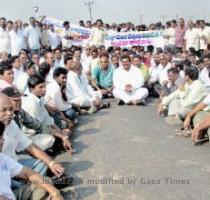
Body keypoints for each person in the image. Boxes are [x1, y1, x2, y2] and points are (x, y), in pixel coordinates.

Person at [0, 120, 64, 200]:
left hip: (12, 190)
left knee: (43, 182)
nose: (3, 140)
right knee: (40, 182)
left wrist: (55, 193)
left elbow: (28, 172)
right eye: (4, 110)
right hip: (12, 183)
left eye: (1, 137)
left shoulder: (2, 158)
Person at [21, 74, 72, 153]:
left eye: (44, 86)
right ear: (31, 89)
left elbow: (47, 119)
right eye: (40, 87)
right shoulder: (32, 103)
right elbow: (38, 127)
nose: (44, 89)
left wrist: (59, 130)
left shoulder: (39, 98)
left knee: (63, 126)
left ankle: (56, 145)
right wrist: (60, 134)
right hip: (33, 135)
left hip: (43, 129)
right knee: (53, 138)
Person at [2, 86, 55, 151]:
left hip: (20, 142)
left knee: (49, 138)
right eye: (15, 100)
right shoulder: (4, 117)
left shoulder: (20, 111)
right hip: (9, 148)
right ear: (6, 101)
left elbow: (37, 125)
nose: (19, 102)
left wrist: (60, 134)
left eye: (19, 99)